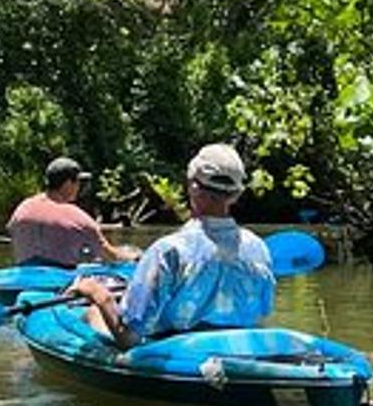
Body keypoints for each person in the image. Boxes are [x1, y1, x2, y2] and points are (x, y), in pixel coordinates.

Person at [67, 143, 273, 349]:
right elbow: (261, 313)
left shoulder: (169, 251)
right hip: (234, 352)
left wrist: (97, 294)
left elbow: (128, 337)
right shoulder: (259, 249)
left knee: (92, 313)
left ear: (193, 187)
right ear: (236, 195)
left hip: (176, 356)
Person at [7, 157, 139, 267]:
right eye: (78, 182)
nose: (79, 187)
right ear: (68, 183)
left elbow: (11, 229)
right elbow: (110, 256)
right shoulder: (77, 217)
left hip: (25, 275)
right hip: (58, 282)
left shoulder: (22, 209)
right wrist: (134, 256)